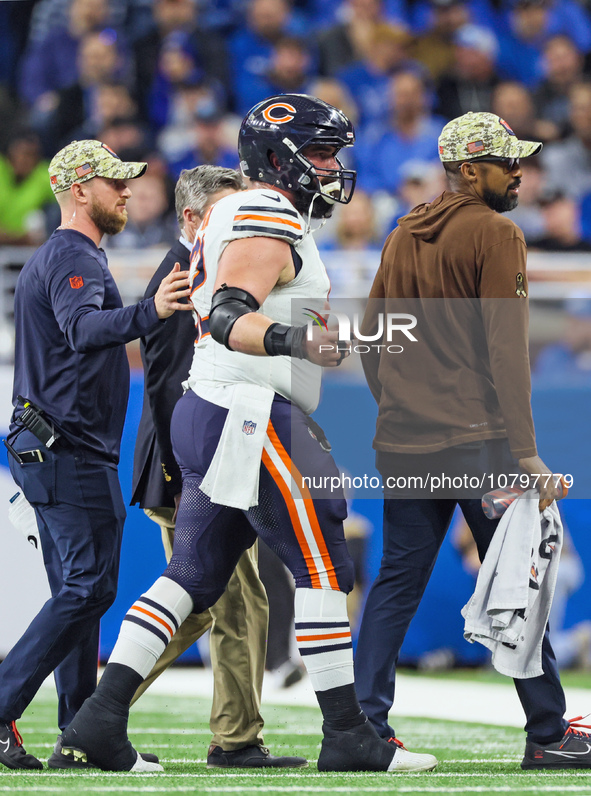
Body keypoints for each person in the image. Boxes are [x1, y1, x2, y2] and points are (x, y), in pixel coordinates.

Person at [56, 94, 438, 775]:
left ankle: (97, 721)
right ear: (278, 155)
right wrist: (298, 339)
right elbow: (232, 313)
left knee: (194, 574)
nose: (331, 166)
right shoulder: (263, 208)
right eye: (319, 152)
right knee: (324, 559)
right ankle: (347, 733)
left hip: (214, 405)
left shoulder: (234, 208)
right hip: (249, 406)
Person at [354, 111, 591, 770]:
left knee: (393, 585)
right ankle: (547, 733)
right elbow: (506, 353)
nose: (518, 171)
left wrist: (403, 410)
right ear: (467, 171)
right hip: (481, 444)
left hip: (403, 441)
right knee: (516, 583)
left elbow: (372, 336)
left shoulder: (402, 232)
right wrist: (525, 451)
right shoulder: (495, 232)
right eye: (504, 162)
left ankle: (360, 729)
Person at [0, 138, 191, 772]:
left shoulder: (68, 254)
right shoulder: (72, 255)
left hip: (54, 443)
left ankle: (78, 732)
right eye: (113, 182)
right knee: (87, 588)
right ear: (79, 190)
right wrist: (151, 309)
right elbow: (83, 330)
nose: (127, 190)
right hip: (66, 445)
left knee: (77, 591)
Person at [130, 163, 305, 767]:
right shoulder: (183, 279)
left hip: (218, 459)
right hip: (195, 464)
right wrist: (181, 473)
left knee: (233, 601)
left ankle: (236, 735)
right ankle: (97, 708)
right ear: (193, 218)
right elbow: (168, 385)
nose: (242, 227)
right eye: (230, 214)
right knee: (209, 602)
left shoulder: (204, 269)